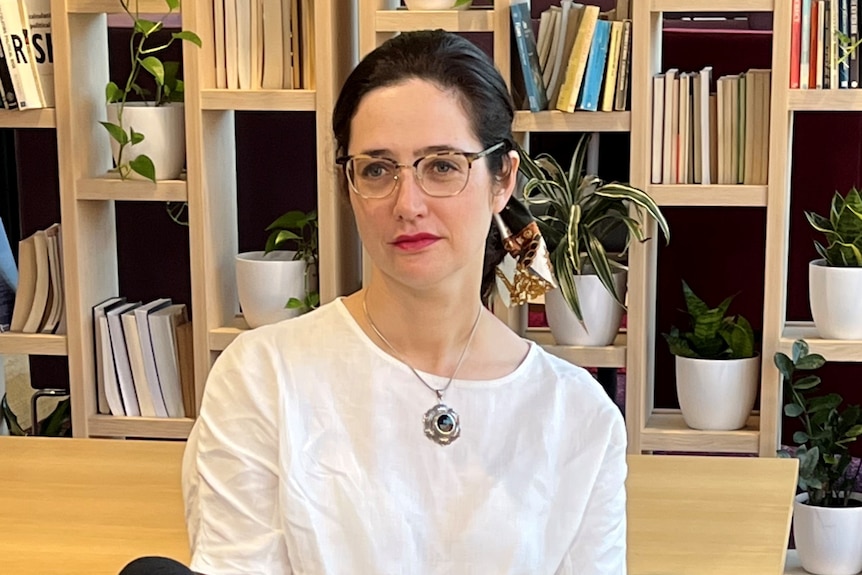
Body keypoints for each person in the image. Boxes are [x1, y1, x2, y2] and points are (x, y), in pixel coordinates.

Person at [181, 29, 627, 575]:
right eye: (377, 169)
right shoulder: (262, 376)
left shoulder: (579, 416)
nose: (407, 203)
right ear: (349, 184)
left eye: (442, 165)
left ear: (502, 178)